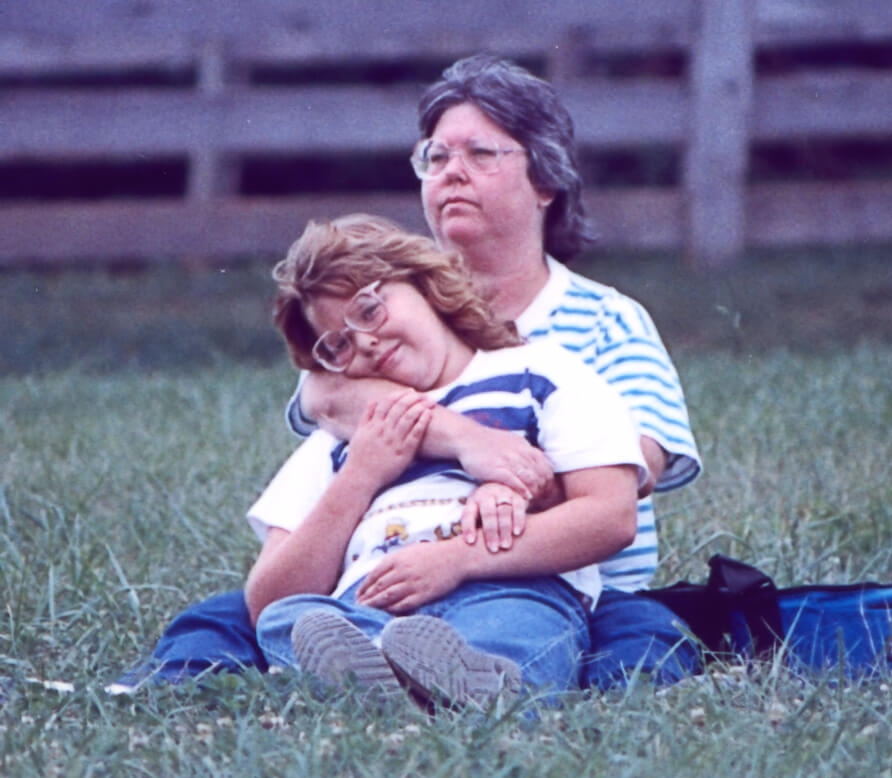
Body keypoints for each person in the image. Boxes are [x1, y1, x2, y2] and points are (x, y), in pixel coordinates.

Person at [113, 54, 702, 694]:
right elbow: (325, 395)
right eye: (436, 157)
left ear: (545, 181)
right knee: (235, 617)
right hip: (382, 577)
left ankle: (502, 688)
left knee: (637, 641)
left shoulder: (604, 323)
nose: (452, 172)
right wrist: (469, 441)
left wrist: (508, 493)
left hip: (566, 576)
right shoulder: (371, 340)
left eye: (481, 154)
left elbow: (633, 473)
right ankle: (194, 688)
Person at [245, 213, 645, 707]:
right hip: (367, 605)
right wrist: (361, 475)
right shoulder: (343, 435)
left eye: (369, 310)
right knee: (290, 619)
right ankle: (386, 677)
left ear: (423, 283)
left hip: (508, 586)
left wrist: (456, 560)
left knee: (515, 633)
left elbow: (610, 517)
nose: (364, 342)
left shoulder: (539, 373)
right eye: (339, 345)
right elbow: (267, 599)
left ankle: (459, 691)